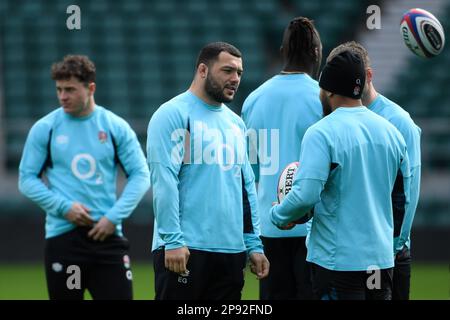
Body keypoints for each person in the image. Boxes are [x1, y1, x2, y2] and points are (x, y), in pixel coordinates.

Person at [270, 50, 412, 300]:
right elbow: (402, 199)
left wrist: (279, 215)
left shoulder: (321, 132)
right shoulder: (392, 133)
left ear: (329, 89)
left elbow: (305, 195)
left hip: (338, 263)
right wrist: (389, 246)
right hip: (380, 263)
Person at [18, 55, 150, 300]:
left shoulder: (114, 126)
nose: (62, 96)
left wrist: (113, 217)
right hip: (63, 238)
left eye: (70, 89)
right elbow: (26, 178)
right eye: (59, 89)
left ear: (91, 88)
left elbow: (141, 175)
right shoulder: (45, 128)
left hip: (107, 235)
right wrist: (63, 207)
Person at [147, 42, 269, 300]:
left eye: (239, 72)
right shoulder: (172, 114)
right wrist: (173, 240)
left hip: (230, 253)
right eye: (227, 70)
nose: (235, 78)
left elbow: (246, 188)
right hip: (185, 249)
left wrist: (254, 243)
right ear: (203, 70)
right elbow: (164, 181)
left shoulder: (236, 123)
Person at [326, 41, 421, 300]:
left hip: (388, 254)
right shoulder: (332, 119)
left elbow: (409, 193)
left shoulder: (399, 123)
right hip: (347, 254)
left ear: (368, 76)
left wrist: (393, 247)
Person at [241, 17, 322, 300]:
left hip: (269, 227)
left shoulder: (254, 99)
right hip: (315, 229)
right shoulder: (324, 98)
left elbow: (248, 172)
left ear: (282, 50)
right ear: (316, 52)